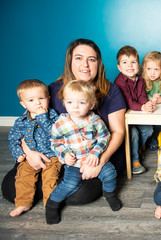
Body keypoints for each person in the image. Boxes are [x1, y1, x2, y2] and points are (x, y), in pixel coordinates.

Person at [1, 38, 127, 206]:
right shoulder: (52, 89)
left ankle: (52, 187)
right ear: (70, 62)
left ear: (99, 63)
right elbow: (27, 123)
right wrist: (29, 152)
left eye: (92, 59)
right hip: (55, 154)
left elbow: (118, 131)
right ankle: (49, 183)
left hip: (90, 156)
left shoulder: (111, 91)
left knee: (79, 195)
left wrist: (100, 160)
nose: (86, 65)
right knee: (10, 190)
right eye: (79, 58)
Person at [46, 80, 121, 224]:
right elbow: (55, 142)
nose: (75, 107)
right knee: (70, 184)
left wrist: (96, 153)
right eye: (70, 102)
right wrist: (64, 154)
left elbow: (105, 136)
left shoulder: (95, 121)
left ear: (91, 105)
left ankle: (110, 194)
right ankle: (52, 204)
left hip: (94, 159)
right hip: (74, 163)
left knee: (110, 173)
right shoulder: (61, 123)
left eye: (81, 103)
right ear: (64, 103)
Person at [7, 79, 61, 217]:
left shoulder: (53, 116)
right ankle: (23, 203)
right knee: (23, 177)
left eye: (41, 98)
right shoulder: (21, 122)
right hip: (29, 157)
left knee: (50, 178)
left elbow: (56, 134)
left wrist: (43, 117)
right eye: (31, 100)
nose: (37, 103)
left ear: (48, 99)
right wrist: (18, 153)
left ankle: (50, 205)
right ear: (23, 104)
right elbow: (13, 139)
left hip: (52, 156)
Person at [114, 45, 154, 175]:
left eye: (133, 62)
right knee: (134, 134)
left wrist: (147, 104)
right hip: (124, 117)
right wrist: (142, 107)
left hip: (136, 115)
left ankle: (135, 150)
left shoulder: (140, 80)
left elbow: (142, 96)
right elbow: (128, 102)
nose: (130, 66)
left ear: (138, 65)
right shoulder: (120, 82)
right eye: (125, 62)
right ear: (119, 67)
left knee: (149, 130)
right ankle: (134, 161)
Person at [140, 51, 161, 151]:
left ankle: (154, 138)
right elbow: (141, 95)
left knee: (160, 122)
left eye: (156, 69)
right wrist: (150, 99)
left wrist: (160, 99)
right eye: (149, 69)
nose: (152, 73)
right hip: (145, 109)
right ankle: (147, 141)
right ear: (144, 69)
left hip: (159, 108)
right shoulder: (142, 80)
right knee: (147, 125)